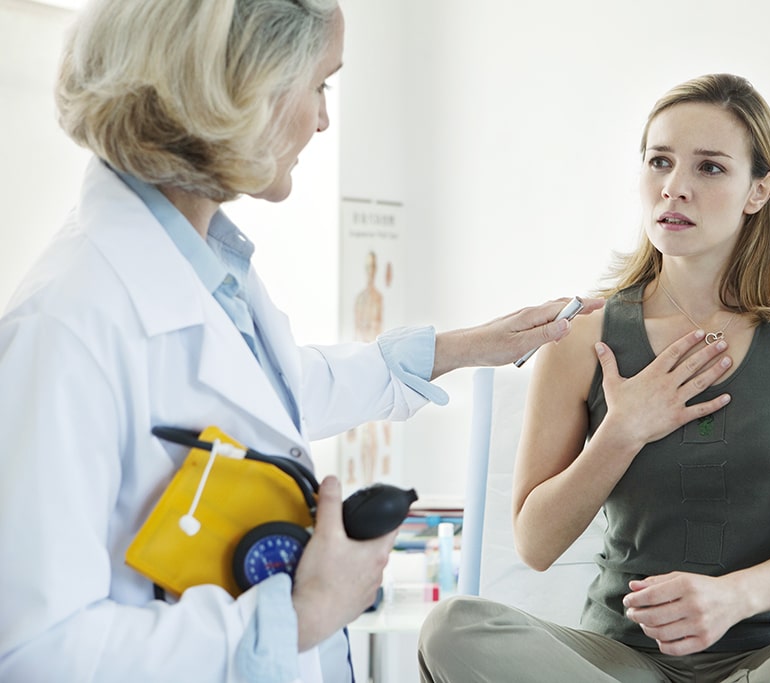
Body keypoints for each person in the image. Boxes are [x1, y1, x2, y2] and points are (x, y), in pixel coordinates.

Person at [0, 1, 600, 681]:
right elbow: (31, 652)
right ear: (239, 87)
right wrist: (298, 616)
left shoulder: (207, 265)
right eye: (320, 85)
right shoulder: (66, 327)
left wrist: (462, 347)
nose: (323, 119)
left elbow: (272, 395)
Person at [418, 73, 770, 682]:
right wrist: (623, 430)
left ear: (758, 191)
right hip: (620, 664)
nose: (674, 187)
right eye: (659, 161)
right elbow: (535, 543)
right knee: (454, 629)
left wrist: (732, 598)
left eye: (709, 168)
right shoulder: (579, 336)